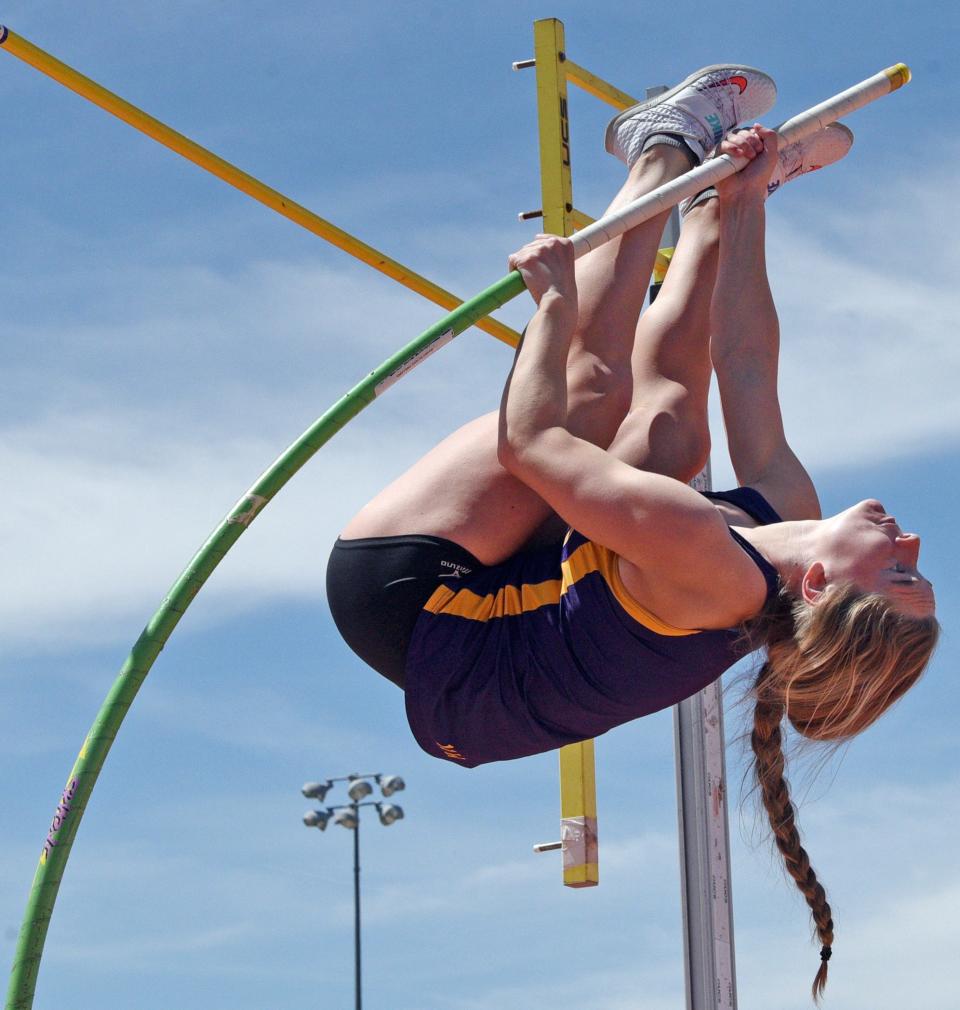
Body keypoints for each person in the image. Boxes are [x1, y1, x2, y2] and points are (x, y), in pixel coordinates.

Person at [326, 66, 938, 998]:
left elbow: (534, 444)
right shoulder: (781, 513)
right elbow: (742, 356)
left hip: (414, 605)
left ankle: (661, 147)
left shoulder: (707, 569)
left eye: (897, 575)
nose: (915, 545)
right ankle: (704, 194)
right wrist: (742, 209)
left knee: (592, 393)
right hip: (525, 601)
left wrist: (557, 308)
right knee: (669, 426)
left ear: (820, 589)